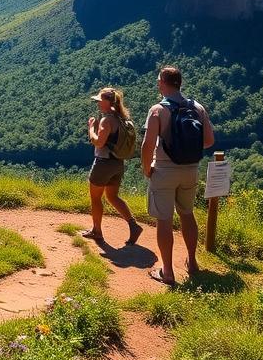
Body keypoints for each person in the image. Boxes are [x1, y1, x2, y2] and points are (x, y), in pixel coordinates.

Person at [140, 66, 215, 285]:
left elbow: (147, 145)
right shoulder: (197, 107)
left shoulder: (157, 110)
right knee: (187, 214)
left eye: (158, 80)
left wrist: (147, 168)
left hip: (164, 170)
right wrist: (186, 146)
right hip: (190, 170)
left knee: (164, 220)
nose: (157, 84)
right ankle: (192, 263)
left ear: (163, 82)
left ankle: (168, 272)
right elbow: (209, 141)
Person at [84, 87, 143, 245]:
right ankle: (133, 225)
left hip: (103, 163)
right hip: (117, 163)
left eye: (99, 100)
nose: (97, 102)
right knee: (112, 196)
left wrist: (91, 128)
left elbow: (99, 142)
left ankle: (97, 231)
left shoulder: (107, 120)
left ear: (108, 102)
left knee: (95, 198)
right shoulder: (121, 119)